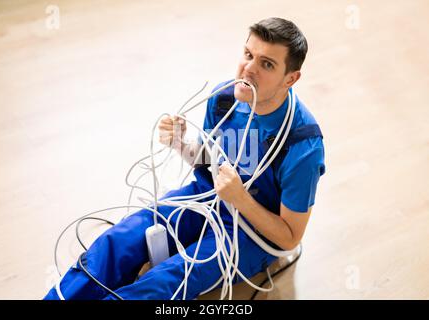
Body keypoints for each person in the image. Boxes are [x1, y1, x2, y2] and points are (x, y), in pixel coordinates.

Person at [44, 17, 325, 300]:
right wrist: (181, 144)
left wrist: (240, 199)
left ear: (290, 79)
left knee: (167, 279)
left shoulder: (303, 145)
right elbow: (210, 166)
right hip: (205, 199)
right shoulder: (225, 98)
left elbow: (289, 237)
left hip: (250, 236)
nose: (248, 69)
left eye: (266, 64)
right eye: (248, 54)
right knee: (119, 240)